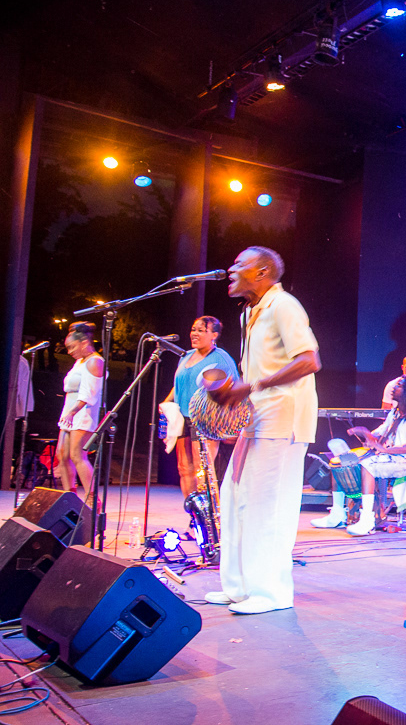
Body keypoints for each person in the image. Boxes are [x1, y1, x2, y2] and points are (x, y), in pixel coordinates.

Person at [204, 246, 320, 615]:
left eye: (240, 264)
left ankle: (271, 593)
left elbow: (309, 360)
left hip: (283, 417)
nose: (231, 269)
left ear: (262, 271)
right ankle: (239, 587)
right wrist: (234, 396)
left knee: (267, 505)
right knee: (235, 495)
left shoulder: (283, 305)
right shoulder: (250, 312)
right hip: (258, 417)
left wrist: (252, 386)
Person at [313, 375, 406, 536]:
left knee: (367, 465)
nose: (394, 387)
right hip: (390, 457)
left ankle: (367, 519)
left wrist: (385, 450)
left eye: (399, 385)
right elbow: (379, 436)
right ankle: (337, 513)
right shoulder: (395, 412)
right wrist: (364, 432)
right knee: (340, 462)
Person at [159, 316, 239, 500]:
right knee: (183, 468)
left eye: (201, 330)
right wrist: (166, 401)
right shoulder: (186, 356)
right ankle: (193, 513)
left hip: (205, 418)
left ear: (214, 335)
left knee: (202, 469)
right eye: (193, 329)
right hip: (183, 417)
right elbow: (179, 383)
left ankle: (209, 514)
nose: (194, 334)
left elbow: (233, 387)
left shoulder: (220, 358)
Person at [55, 322, 104, 506]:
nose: (69, 351)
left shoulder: (95, 361)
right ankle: (69, 498)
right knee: (62, 454)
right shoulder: (80, 361)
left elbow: (89, 393)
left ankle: (92, 500)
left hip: (83, 413)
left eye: (72, 347)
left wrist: (73, 411)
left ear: (84, 343)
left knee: (77, 455)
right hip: (69, 412)